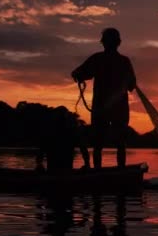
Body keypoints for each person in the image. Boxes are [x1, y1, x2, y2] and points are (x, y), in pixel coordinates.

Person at [71, 28, 136, 169]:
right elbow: (132, 85)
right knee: (118, 143)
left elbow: (79, 73)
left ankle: (98, 172)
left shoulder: (98, 59)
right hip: (117, 108)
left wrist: (77, 75)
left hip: (102, 107)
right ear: (118, 43)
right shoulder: (123, 61)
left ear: (103, 43)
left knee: (99, 143)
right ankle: (121, 172)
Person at [35, 106, 90, 173]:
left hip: (61, 172)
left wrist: (87, 165)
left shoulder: (70, 133)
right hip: (56, 172)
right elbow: (40, 153)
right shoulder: (50, 134)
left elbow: (83, 149)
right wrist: (39, 165)